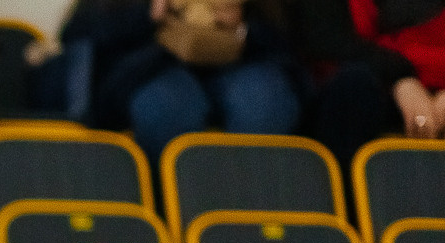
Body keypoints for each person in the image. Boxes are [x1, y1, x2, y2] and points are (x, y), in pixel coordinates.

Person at [55, 0, 302, 158]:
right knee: (169, 108)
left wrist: (241, 27)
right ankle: (173, 214)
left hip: (241, 63)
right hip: (150, 67)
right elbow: (77, 32)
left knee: (264, 102)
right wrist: (150, 13)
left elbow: (287, 41)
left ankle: (256, 213)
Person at [298, 0, 445, 166]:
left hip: (432, 84)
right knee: (354, 86)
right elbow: (326, 41)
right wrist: (402, 81)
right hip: (373, 85)